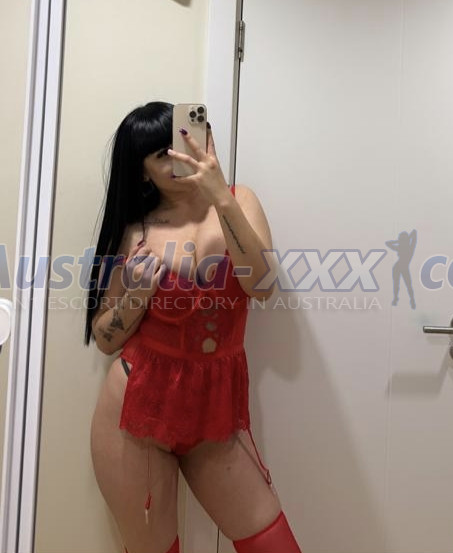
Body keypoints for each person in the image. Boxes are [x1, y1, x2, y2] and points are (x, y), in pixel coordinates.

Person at [85, 101, 301, 553]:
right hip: (137, 412)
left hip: (215, 412)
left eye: (181, 143)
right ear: (143, 172)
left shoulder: (239, 201)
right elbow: (105, 338)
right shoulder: (136, 231)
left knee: (273, 543)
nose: (178, 157)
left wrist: (219, 193)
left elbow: (262, 286)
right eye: (161, 154)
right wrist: (137, 295)